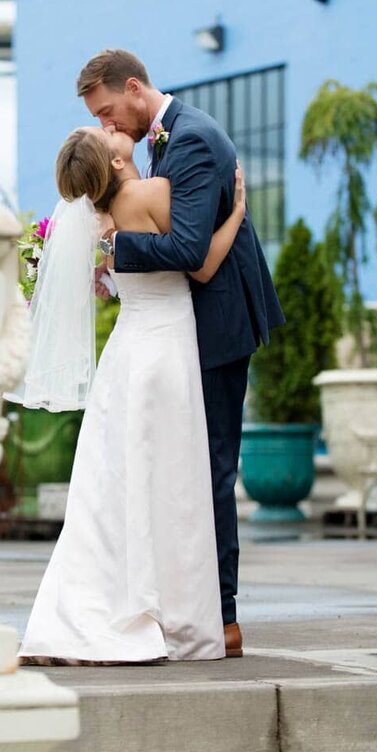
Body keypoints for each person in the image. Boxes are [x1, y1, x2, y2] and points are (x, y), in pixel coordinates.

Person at [78, 49, 285, 658]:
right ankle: (180, 602)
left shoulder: (191, 140)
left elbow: (191, 249)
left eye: (109, 113)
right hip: (179, 326)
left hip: (217, 326)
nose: (110, 127)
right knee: (178, 472)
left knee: (213, 469)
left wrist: (114, 251)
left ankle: (223, 617)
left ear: (135, 88)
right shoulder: (164, 141)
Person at [13, 126, 247, 664]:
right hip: (165, 349)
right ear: (114, 163)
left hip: (124, 355)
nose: (114, 131)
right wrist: (236, 213)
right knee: (168, 481)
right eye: (106, 133)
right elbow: (202, 264)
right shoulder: (152, 193)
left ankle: (77, 615)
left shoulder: (96, 219)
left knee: (109, 488)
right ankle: (168, 611)